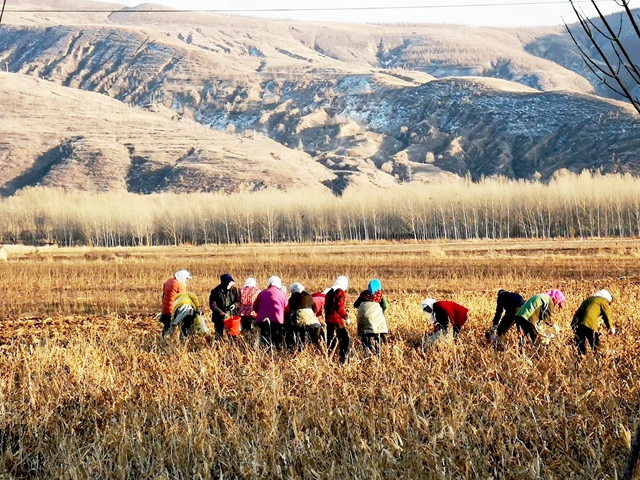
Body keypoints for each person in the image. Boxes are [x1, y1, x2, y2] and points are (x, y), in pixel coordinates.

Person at [571, 289, 615, 355]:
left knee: (580, 347)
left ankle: (579, 361)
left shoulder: (589, 299)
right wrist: (611, 328)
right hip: (588, 323)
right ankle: (598, 362)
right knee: (596, 346)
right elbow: (607, 316)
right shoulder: (603, 301)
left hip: (576, 322)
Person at [354, 279, 389, 355]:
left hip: (362, 318)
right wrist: (381, 311)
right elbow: (385, 305)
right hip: (374, 319)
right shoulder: (380, 294)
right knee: (378, 331)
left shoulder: (363, 294)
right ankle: (378, 353)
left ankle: (366, 352)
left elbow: (355, 305)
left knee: (365, 335)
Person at [253, 276, 288, 348]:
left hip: (262, 320)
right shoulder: (282, 294)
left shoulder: (262, 293)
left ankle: (264, 354)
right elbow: (287, 309)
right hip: (277, 320)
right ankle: (276, 354)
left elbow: (255, 307)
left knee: (264, 339)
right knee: (276, 340)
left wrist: (260, 313)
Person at [287, 283, 322, 349]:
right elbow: (315, 309)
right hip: (313, 323)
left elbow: (289, 312)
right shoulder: (309, 297)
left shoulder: (292, 299)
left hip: (298, 324)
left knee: (299, 339)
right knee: (313, 341)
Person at [325, 275, 350, 364]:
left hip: (328, 320)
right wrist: (346, 317)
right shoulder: (340, 292)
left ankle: (330, 360)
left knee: (331, 340)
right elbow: (339, 307)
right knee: (345, 340)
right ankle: (342, 360)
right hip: (337, 321)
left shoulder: (329, 292)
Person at [160, 270, 191, 336]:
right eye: (186, 278)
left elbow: (164, 295)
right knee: (185, 323)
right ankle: (182, 338)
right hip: (173, 310)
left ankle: (163, 340)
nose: (186, 280)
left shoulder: (168, 282)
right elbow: (183, 299)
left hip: (165, 310)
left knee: (166, 327)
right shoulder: (180, 285)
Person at [209, 273, 241, 338]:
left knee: (233, 334)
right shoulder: (215, 291)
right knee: (218, 334)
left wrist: (234, 305)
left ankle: (231, 346)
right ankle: (218, 346)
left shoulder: (234, 290)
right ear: (225, 283)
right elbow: (213, 305)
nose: (232, 286)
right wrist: (222, 313)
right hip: (219, 317)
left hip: (232, 316)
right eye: (230, 284)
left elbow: (238, 301)